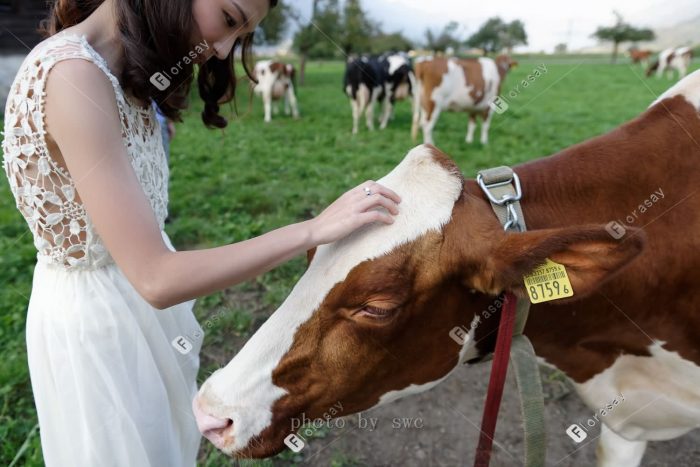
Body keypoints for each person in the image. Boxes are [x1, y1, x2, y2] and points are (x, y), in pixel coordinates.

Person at [0, 0, 401, 466]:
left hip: (136, 316)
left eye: (242, 36)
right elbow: (155, 278)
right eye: (229, 20)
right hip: (101, 330)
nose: (224, 49)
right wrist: (312, 230)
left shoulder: (117, 70)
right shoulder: (73, 77)